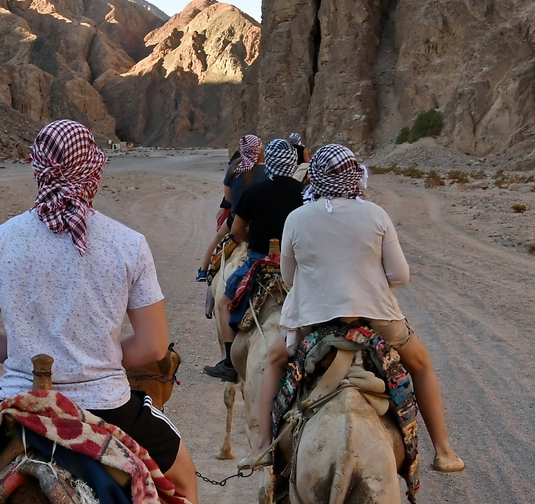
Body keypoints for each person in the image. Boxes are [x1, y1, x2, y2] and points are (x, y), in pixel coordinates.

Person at [0, 119, 225, 504]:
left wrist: (28, 360)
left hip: (19, 405)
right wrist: (98, 363)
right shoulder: (127, 244)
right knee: (185, 482)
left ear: (38, 168)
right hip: (106, 409)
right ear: (94, 171)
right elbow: (152, 348)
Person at [250, 144, 465, 472]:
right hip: (375, 318)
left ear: (315, 177)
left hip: (314, 320)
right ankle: (444, 450)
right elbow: (400, 275)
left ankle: (265, 446)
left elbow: (289, 277)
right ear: (354, 174)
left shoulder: (297, 218)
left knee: (275, 359)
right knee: (420, 364)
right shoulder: (376, 214)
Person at [204, 139, 304, 381]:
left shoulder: (254, 192)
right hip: (297, 263)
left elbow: (237, 231)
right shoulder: (304, 193)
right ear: (292, 163)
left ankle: (229, 363)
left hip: (260, 259)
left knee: (224, 304)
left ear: (269, 160)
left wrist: (256, 239)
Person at [197, 134, 268, 281]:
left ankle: (203, 270)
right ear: (260, 149)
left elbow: (228, 198)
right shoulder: (268, 170)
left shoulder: (234, 168)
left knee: (217, 238)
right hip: (260, 222)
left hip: (236, 219)